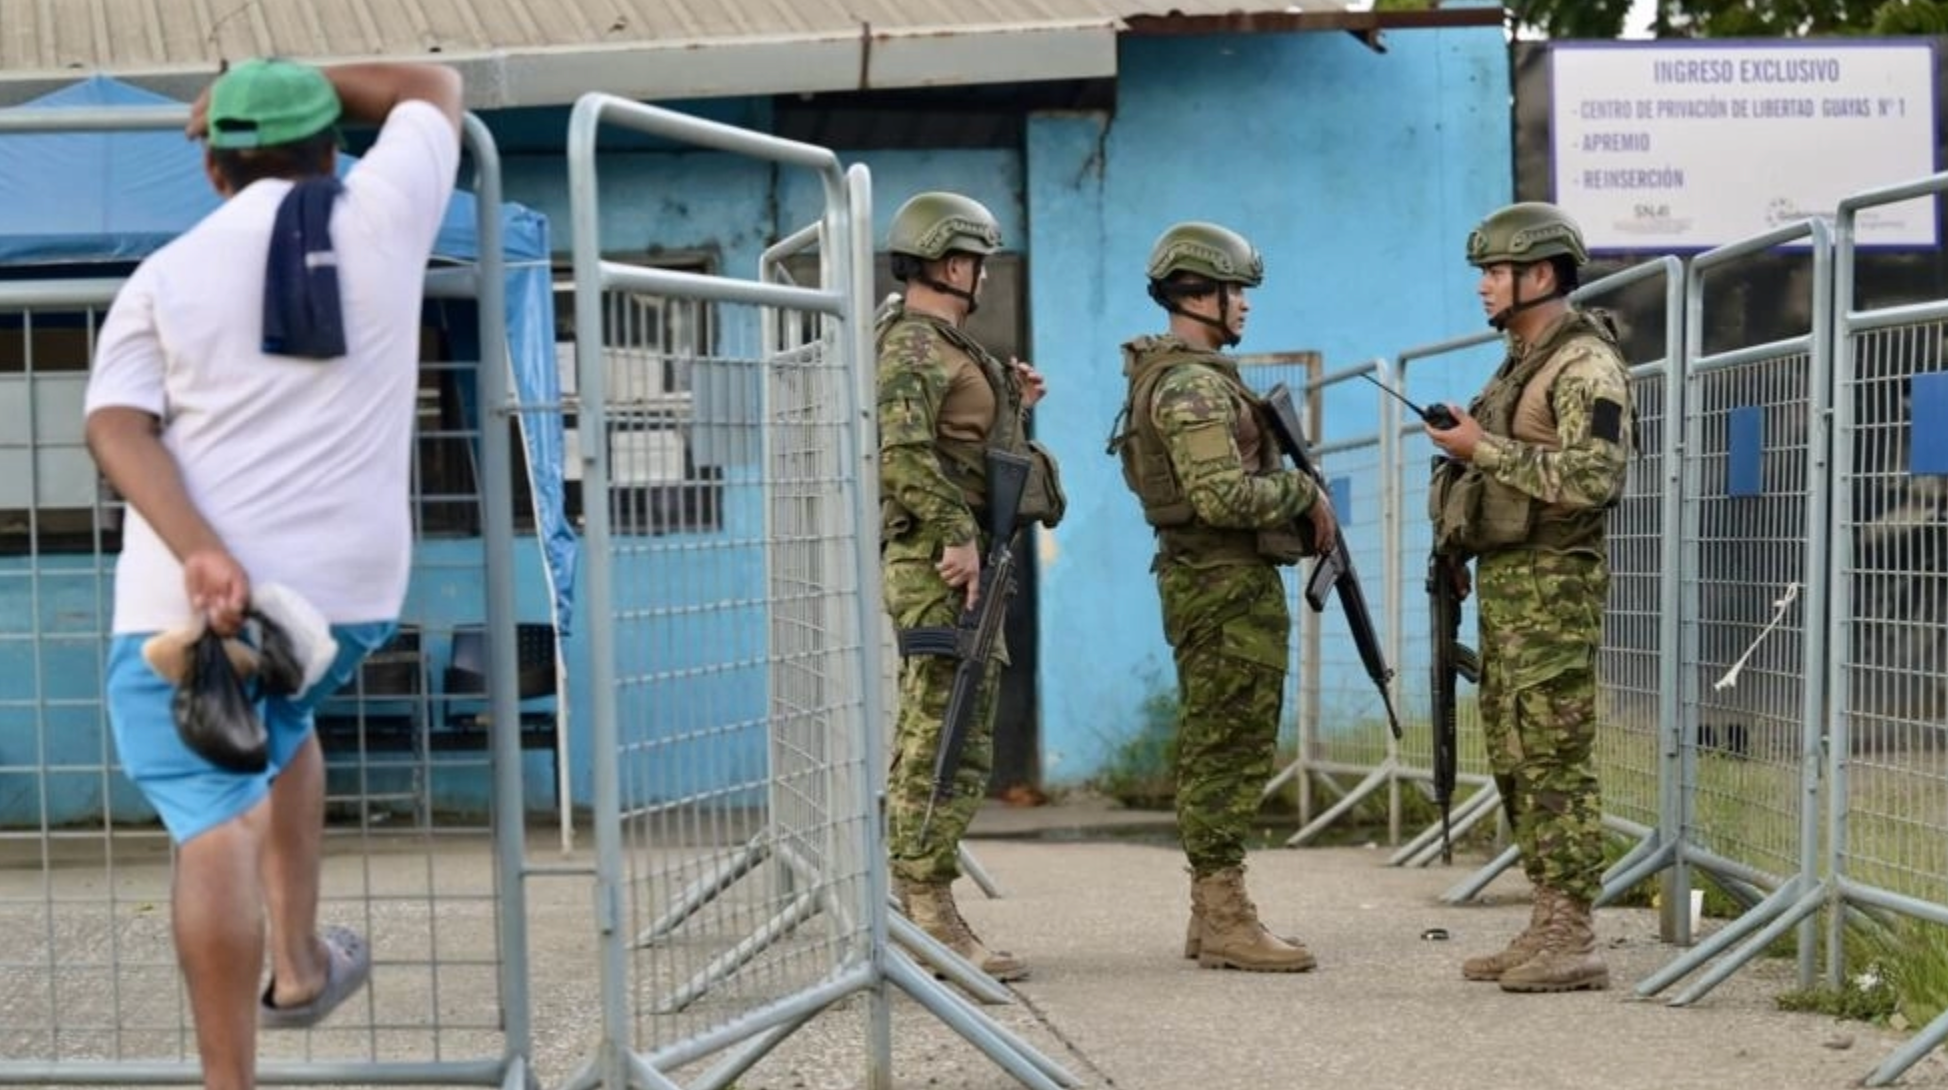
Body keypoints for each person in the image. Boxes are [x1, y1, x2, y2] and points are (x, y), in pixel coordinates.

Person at [84, 58, 463, 1088]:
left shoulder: (164, 275)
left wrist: (200, 546)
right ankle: (295, 967)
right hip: (343, 607)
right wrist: (300, 81)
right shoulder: (389, 212)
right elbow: (432, 83)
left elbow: (117, 426)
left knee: (213, 817)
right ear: (332, 145)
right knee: (278, 732)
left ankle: (228, 1081)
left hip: (196, 608)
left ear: (212, 165)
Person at [1107, 222, 1336, 972]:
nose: (1244, 305)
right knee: (1226, 747)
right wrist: (1301, 487)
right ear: (1196, 292)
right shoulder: (1193, 385)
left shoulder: (1193, 375)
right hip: (1221, 586)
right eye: (1235, 290)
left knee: (1229, 741)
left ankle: (1214, 916)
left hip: (1224, 584)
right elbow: (1218, 495)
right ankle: (1225, 913)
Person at [1425, 201, 1632, 993]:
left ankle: (1574, 930)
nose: (1482, 287)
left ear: (1539, 274)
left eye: (1494, 272)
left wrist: (1484, 447)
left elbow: (1595, 477)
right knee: (1514, 755)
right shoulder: (1522, 360)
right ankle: (1547, 916)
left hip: (1555, 586)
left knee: (1554, 756)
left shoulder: (1584, 366)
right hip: (1511, 585)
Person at [877, 191, 1063, 982]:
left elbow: (974, 455)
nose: (982, 275)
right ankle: (928, 913)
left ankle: (920, 903)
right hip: (939, 565)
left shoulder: (951, 347)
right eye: (977, 261)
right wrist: (956, 536)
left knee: (956, 727)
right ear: (952, 263)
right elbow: (903, 454)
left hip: (968, 561)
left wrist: (1015, 407)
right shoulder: (915, 348)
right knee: (942, 733)